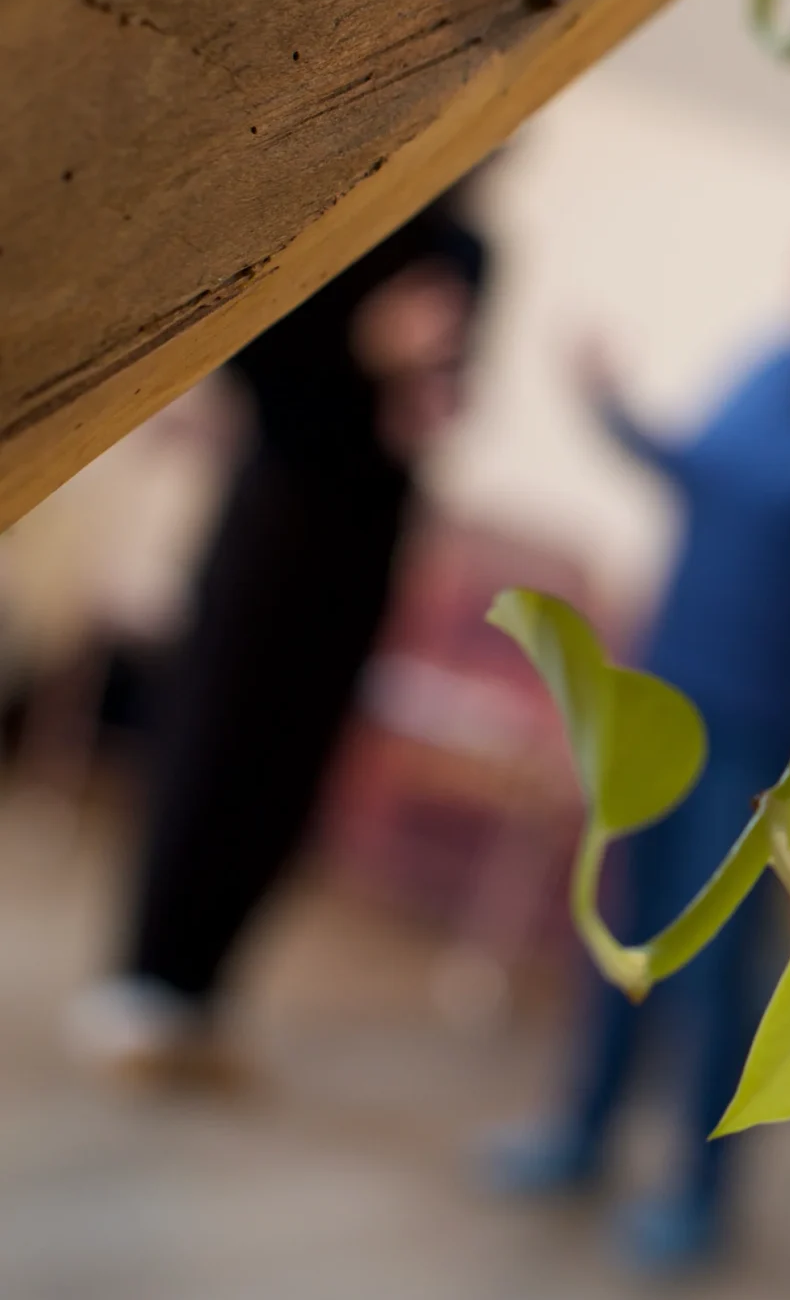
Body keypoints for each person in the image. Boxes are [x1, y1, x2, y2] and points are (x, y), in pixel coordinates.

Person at [486, 197, 790, 1274]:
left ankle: (702, 1195)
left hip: (773, 734)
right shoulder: (776, 363)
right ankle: (579, 1135)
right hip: (673, 684)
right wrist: (609, 405)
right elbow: (701, 467)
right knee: (622, 929)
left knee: (717, 968)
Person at [70, 183, 492, 1082]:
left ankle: (210, 985)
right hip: (276, 522)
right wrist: (365, 346)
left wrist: (428, 394)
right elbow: (259, 359)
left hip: (369, 538)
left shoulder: (469, 253)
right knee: (211, 740)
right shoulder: (353, 211)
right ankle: (147, 976)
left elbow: (445, 400)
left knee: (294, 764)